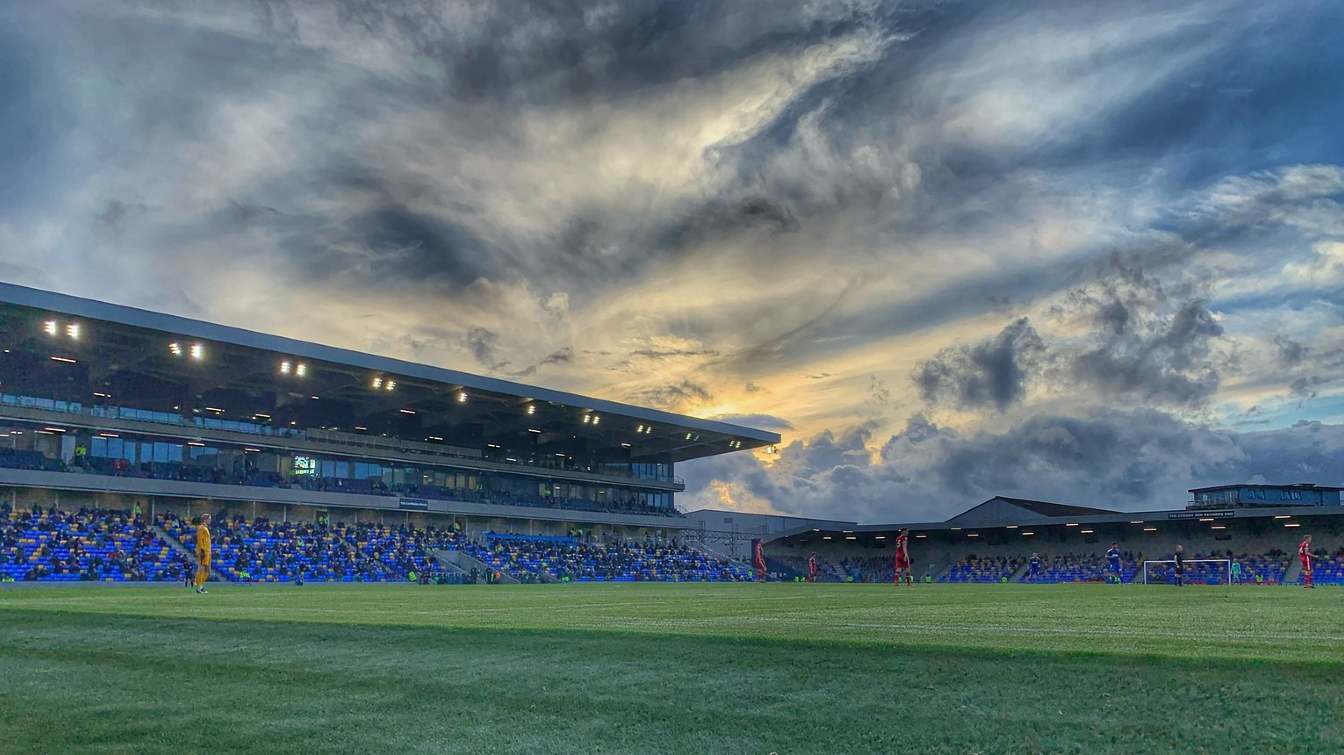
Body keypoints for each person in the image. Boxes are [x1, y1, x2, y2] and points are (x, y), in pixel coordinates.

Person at [193, 514, 212, 594]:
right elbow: (199, 540)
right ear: (205, 519)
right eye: (209, 519)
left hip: (207, 551)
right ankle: (199, 586)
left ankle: (199, 585)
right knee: (204, 569)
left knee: (207, 571)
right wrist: (202, 550)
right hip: (204, 551)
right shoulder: (201, 528)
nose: (210, 520)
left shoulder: (205, 528)